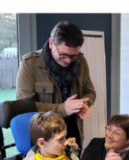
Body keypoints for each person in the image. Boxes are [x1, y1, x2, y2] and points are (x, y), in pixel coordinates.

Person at [16, 21, 96, 150]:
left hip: (73, 131)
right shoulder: (30, 64)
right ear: (51, 43)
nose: (68, 60)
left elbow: (90, 92)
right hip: (46, 138)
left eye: (73, 56)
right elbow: (24, 106)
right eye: (63, 55)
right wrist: (62, 108)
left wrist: (83, 103)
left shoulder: (81, 61)